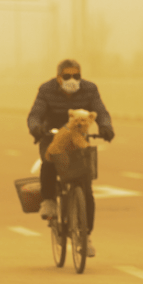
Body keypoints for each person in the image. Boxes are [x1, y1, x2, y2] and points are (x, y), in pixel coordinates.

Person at [28, 59, 114, 257]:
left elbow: (101, 112)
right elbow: (34, 115)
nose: (72, 80)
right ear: (58, 78)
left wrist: (106, 127)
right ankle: (49, 199)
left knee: (86, 185)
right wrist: (36, 128)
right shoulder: (46, 90)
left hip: (78, 139)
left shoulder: (90, 90)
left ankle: (86, 235)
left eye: (76, 76)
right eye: (67, 76)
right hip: (51, 134)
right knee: (50, 159)